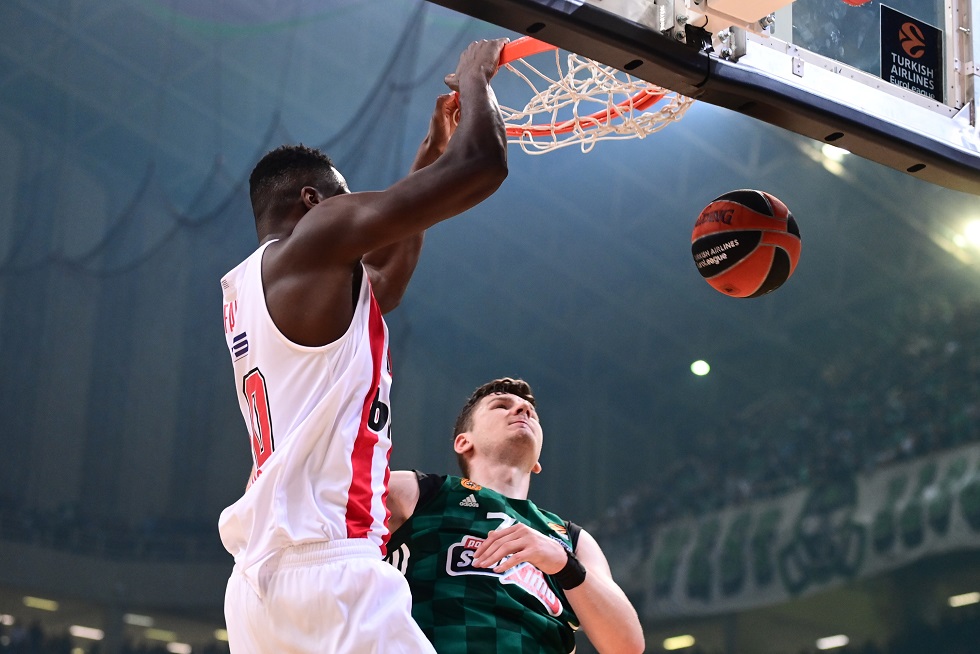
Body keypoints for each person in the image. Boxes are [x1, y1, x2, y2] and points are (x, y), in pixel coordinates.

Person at [217, 38, 509, 653]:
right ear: (313, 202)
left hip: (258, 587)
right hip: (329, 568)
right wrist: (476, 77)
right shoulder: (319, 234)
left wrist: (430, 152)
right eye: (347, 199)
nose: (357, 213)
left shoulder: (248, 288)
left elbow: (387, 283)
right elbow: (484, 166)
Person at [385, 378, 645, 654]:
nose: (523, 410)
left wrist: (563, 563)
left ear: (537, 462)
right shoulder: (423, 492)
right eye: (501, 405)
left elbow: (627, 646)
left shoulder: (572, 539)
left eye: (531, 412)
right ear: (463, 442)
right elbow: (349, 494)